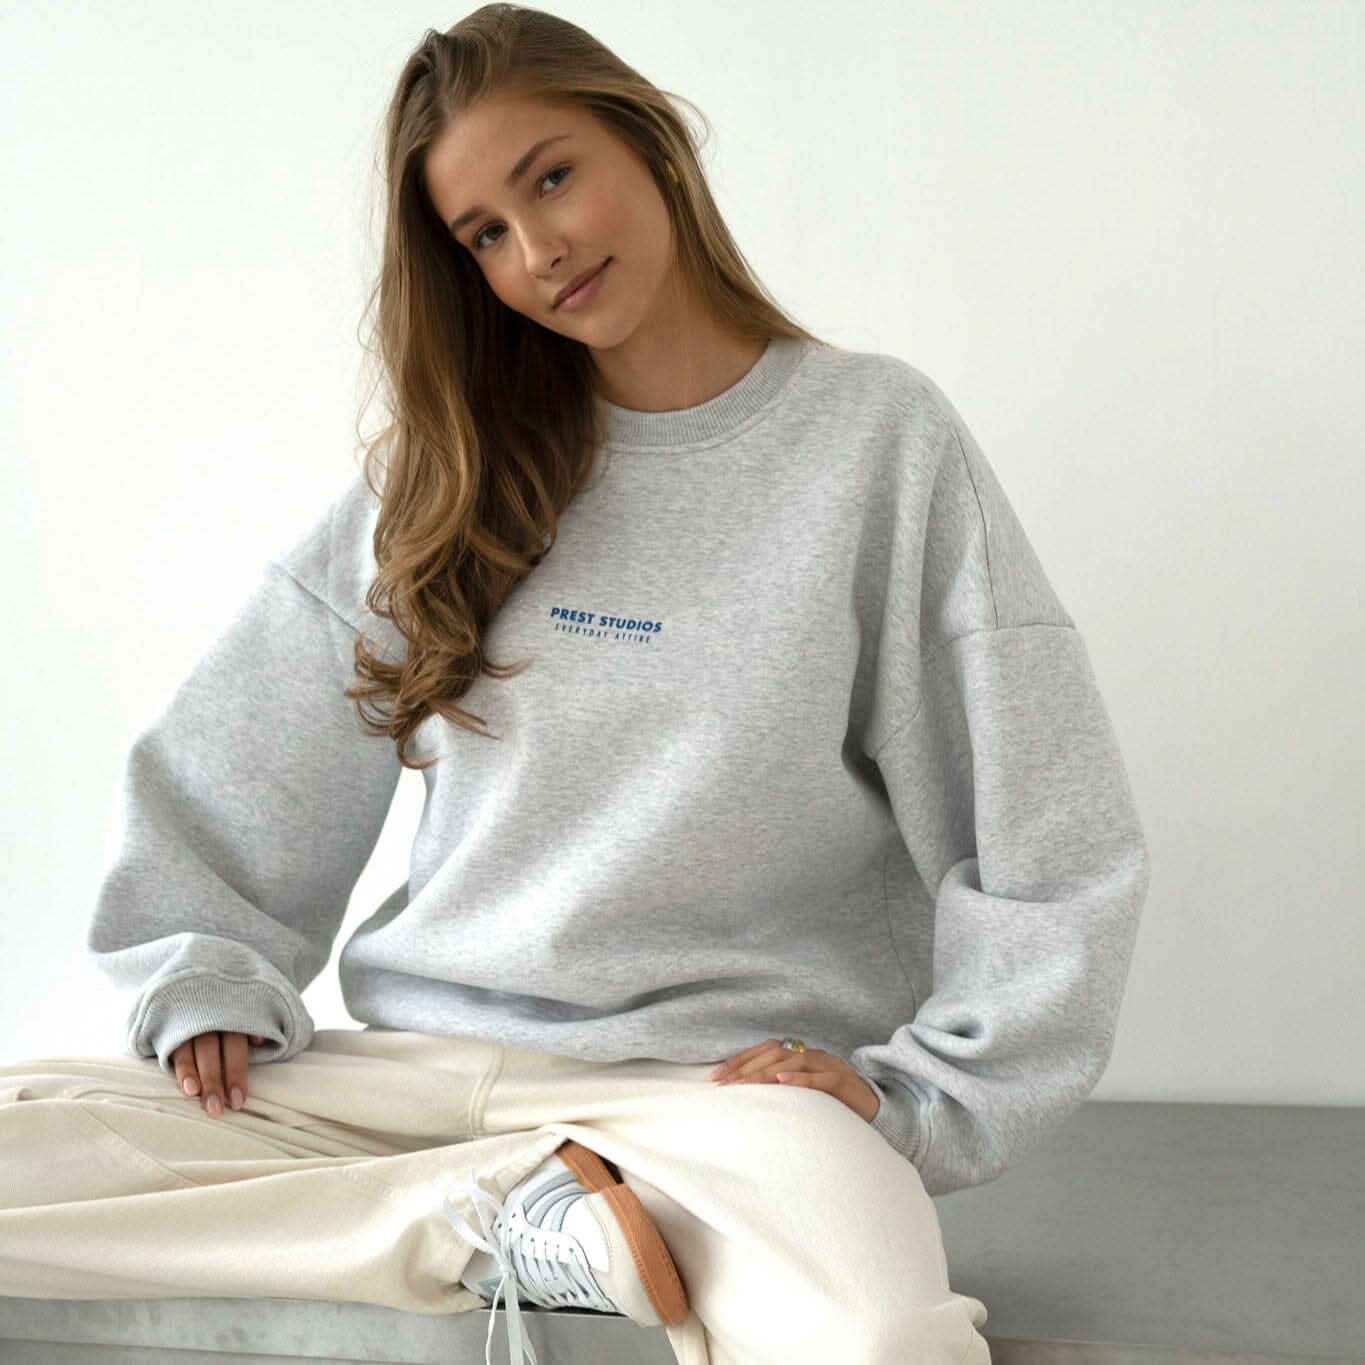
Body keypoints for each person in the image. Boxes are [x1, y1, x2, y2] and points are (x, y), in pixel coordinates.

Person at [0, 6, 1152, 1365]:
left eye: (550, 178)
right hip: (416, 1083)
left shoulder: (873, 442)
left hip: (721, 1101)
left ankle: (505, 1223)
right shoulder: (447, 476)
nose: (537, 248)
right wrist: (206, 972)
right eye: (485, 233)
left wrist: (928, 1093)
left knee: (878, 1336)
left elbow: (1044, 827)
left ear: (650, 141)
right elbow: (230, 767)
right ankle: (489, 1223)